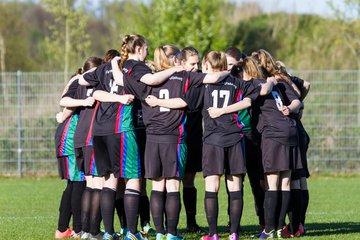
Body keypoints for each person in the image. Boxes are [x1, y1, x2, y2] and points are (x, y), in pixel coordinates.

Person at [78, 54, 140, 240]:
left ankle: (108, 233)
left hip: (98, 130)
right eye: (144, 48)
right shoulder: (134, 69)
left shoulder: (102, 70)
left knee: (109, 180)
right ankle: (132, 232)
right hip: (120, 128)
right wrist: (120, 99)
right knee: (132, 179)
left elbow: (83, 81)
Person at [251, 49, 302, 239]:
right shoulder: (280, 81)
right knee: (286, 182)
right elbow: (297, 101)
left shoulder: (256, 83)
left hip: (273, 134)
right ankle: (281, 228)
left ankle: (269, 229)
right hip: (290, 130)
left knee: (271, 184)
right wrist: (290, 108)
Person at [65, 56, 105, 239]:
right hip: (92, 137)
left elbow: (63, 100)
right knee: (98, 184)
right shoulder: (99, 83)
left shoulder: (79, 84)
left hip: (80, 137)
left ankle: (84, 230)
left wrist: (80, 101)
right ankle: (93, 231)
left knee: (89, 183)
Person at [54, 64, 95, 239]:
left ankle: (63, 229)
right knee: (78, 183)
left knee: (73, 184)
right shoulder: (80, 83)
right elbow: (66, 104)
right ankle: (77, 229)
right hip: (71, 139)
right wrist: (64, 114)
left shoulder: (79, 82)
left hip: (72, 138)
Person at [276, 60, 310, 237]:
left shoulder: (280, 82)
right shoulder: (290, 79)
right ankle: (299, 224)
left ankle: (295, 225)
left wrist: (293, 107)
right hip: (300, 131)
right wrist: (300, 103)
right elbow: (307, 84)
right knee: (301, 179)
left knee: (292, 180)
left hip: (293, 132)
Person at [178, 46, 204, 233]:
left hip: (194, 137)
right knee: (167, 183)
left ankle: (191, 222)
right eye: (192, 64)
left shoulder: (201, 80)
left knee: (189, 180)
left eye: (198, 63)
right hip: (174, 137)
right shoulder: (175, 80)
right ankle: (166, 227)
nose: (196, 67)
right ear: (182, 63)